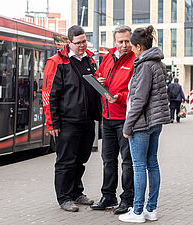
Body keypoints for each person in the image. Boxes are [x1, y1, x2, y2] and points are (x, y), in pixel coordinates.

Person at [42, 25, 102, 212]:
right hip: (67, 122)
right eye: (79, 43)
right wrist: (52, 122)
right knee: (66, 161)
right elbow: (49, 94)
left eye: (85, 41)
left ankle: (77, 192)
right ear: (70, 42)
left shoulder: (90, 60)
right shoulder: (57, 62)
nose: (83, 45)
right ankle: (64, 197)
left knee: (81, 159)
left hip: (87, 121)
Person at [119, 25, 170, 223]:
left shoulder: (144, 65)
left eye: (132, 46)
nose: (130, 49)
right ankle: (151, 209)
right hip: (155, 122)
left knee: (139, 166)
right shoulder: (157, 63)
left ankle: (138, 211)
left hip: (142, 123)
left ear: (139, 47)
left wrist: (127, 126)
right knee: (152, 164)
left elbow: (139, 99)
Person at [90, 25, 136, 214]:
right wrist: (98, 80)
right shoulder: (109, 57)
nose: (124, 45)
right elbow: (98, 75)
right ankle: (108, 196)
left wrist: (121, 97)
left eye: (127, 41)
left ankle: (127, 199)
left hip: (124, 118)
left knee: (127, 161)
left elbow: (135, 90)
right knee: (108, 160)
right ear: (114, 42)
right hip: (107, 118)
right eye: (121, 41)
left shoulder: (135, 60)